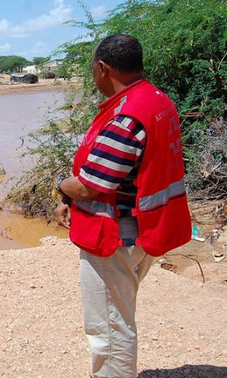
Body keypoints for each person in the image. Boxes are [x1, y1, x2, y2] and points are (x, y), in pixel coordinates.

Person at [54, 34, 191, 378]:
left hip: (115, 238)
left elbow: (90, 186)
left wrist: (61, 186)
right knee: (120, 316)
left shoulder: (127, 116)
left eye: (93, 70)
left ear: (103, 68)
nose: (93, 77)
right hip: (141, 229)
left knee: (111, 331)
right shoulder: (157, 100)